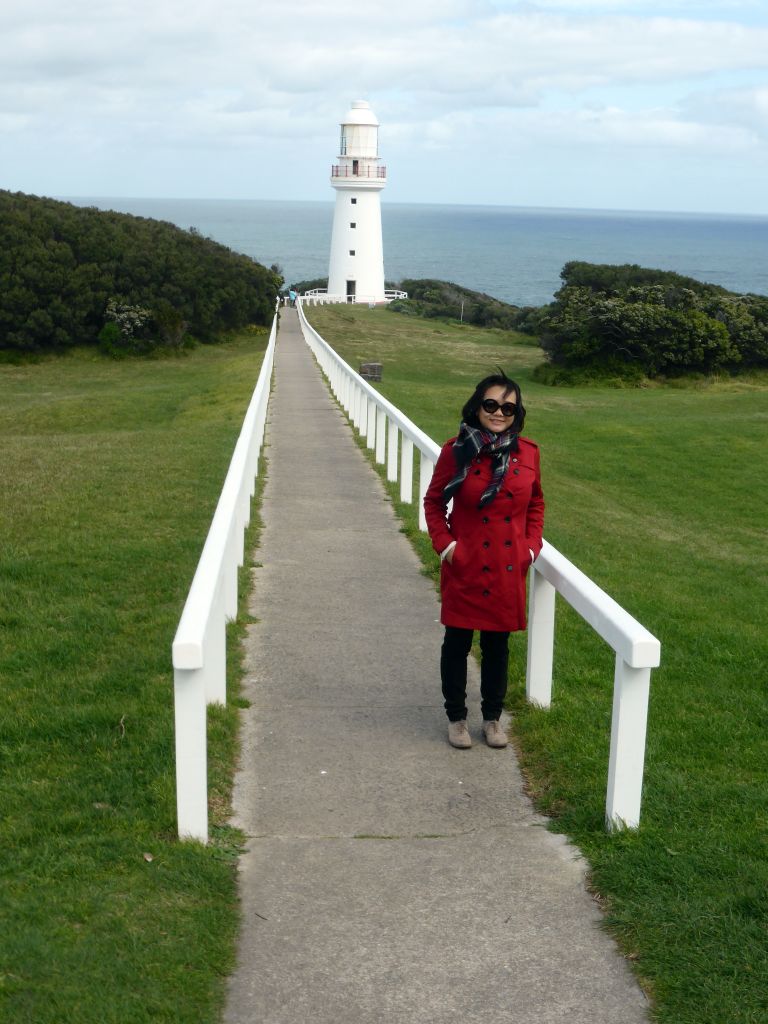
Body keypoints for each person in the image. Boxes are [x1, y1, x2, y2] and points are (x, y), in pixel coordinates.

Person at [423, 371, 545, 749]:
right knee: (456, 644)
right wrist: (447, 547)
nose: (498, 413)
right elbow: (433, 502)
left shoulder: (529, 453)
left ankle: (492, 719)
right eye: (491, 404)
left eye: (508, 407)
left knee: (497, 647)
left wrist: (530, 548)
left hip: (508, 566)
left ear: (517, 412)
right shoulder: (455, 450)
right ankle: (456, 718)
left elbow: (537, 503)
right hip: (467, 565)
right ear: (477, 406)